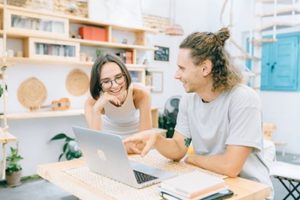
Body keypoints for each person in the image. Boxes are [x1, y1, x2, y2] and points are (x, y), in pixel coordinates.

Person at [124, 27, 273, 196]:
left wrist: (193, 158)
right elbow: (179, 148)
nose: (176, 75)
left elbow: (230, 166)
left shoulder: (243, 99)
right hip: (211, 183)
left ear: (205, 68)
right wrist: (157, 140)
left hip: (250, 191)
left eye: (182, 68)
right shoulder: (189, 100)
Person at [84, 53, 152, 141]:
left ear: (126, 75)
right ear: (99, 85)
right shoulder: (92, 102)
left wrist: (123, 146)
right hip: (109, 142)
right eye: (106, 81)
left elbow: (145, 140)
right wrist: (97, 108)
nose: (115, 85)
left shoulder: (141, 94)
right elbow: (96, 142)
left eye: (119, 77)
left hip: (135, 140)